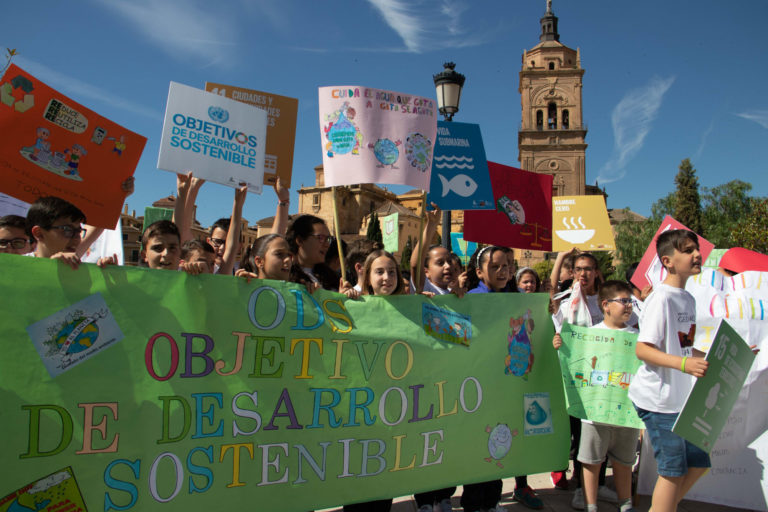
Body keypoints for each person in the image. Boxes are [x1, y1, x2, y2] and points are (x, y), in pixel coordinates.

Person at [628, 229, 711, 512]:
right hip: (659, 401)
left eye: (696, 249)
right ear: (668, 261)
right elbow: (643, 350)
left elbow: (683, 347)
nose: (697, 254)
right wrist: (685, 364)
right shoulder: (661, 298)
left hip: (680, 400)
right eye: (688, 250)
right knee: (673, 471)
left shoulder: (687, 299)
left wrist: (725, 356)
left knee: (699, 462)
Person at [551, 252, 615, 509]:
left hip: (607, 377)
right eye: (578, 269)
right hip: (579, 379)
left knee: (605, 433)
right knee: (582, 434)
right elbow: (555, 314)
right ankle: (581, 488)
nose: (583, 274)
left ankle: (599, 485)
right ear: (574, 272)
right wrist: (561, 257)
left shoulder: (608, 300)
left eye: (588, 269)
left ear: (597, 271)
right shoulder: (568, 302)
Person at [342, 249, 403, 512]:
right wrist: (342, 300)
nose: (386, 277)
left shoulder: (409, 307)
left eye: (391, 272)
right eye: (379, 272)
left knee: (384, 472)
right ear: (367, 276)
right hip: (360, 406)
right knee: (358, 470)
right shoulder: (355, 305)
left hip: (390, 406)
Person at [576, 280, 640, 512]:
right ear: (606, 305)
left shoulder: (638, 337)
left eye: (630, 301)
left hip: (627, 413)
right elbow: (575, 363)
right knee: (592, 462)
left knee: (624, 463)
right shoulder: (589, 335)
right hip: (595, 413)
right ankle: (590, 505)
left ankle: (626, 503)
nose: (628, 306)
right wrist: (559, 344)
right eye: (623, 301)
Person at [459, 245, 514, 512]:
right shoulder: (471, 298)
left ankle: (492, 501)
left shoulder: (514, 299)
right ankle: (474, 503)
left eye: (507, 266)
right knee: (479, 446)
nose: (503, 271)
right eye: (495, 267)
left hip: (501, 386)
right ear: (480, 272)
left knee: (499, 444)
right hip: (477, 385)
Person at [510, 267, 545, 510]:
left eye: (533, 282)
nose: (529, 286)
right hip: (506, 377)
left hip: (527, 378)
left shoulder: (539, 308)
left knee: (523, 432)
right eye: (525, 281)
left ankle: (521, 484)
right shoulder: (506, 302)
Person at [25, 196, 115, 269]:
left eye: (79, 231)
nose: (77, 238)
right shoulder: (16, 268)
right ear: (39, 233)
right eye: (67, 230)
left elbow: (102, 220)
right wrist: (49, 267)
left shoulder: (76, 268)